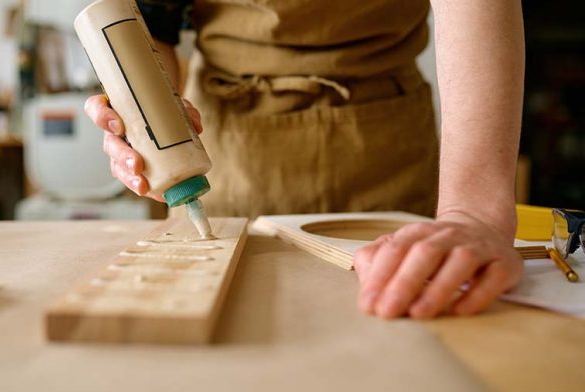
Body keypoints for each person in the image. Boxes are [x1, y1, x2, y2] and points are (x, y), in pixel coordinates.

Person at [85, 0, 525, 319]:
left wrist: (473, 212)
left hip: (382, 133)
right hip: (235, 139)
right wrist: (143, 113)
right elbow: (152, 26)